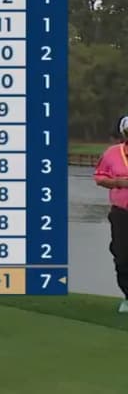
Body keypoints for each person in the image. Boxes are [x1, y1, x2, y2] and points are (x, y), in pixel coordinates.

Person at [92, 115, 128, 314]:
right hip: (122, 213)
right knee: (122, 255)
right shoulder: (112, 154)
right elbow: (99, 177)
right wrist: (118, 183)